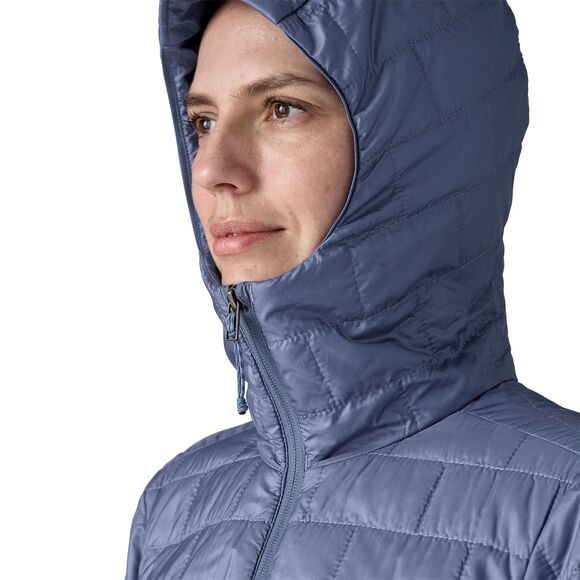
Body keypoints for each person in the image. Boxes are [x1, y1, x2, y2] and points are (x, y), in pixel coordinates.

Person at [125, 0, 580, 578]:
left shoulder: (562, 508)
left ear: (413, 147)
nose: (212, 169)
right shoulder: (175, 508)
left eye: (282, 109)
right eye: (203, 122)